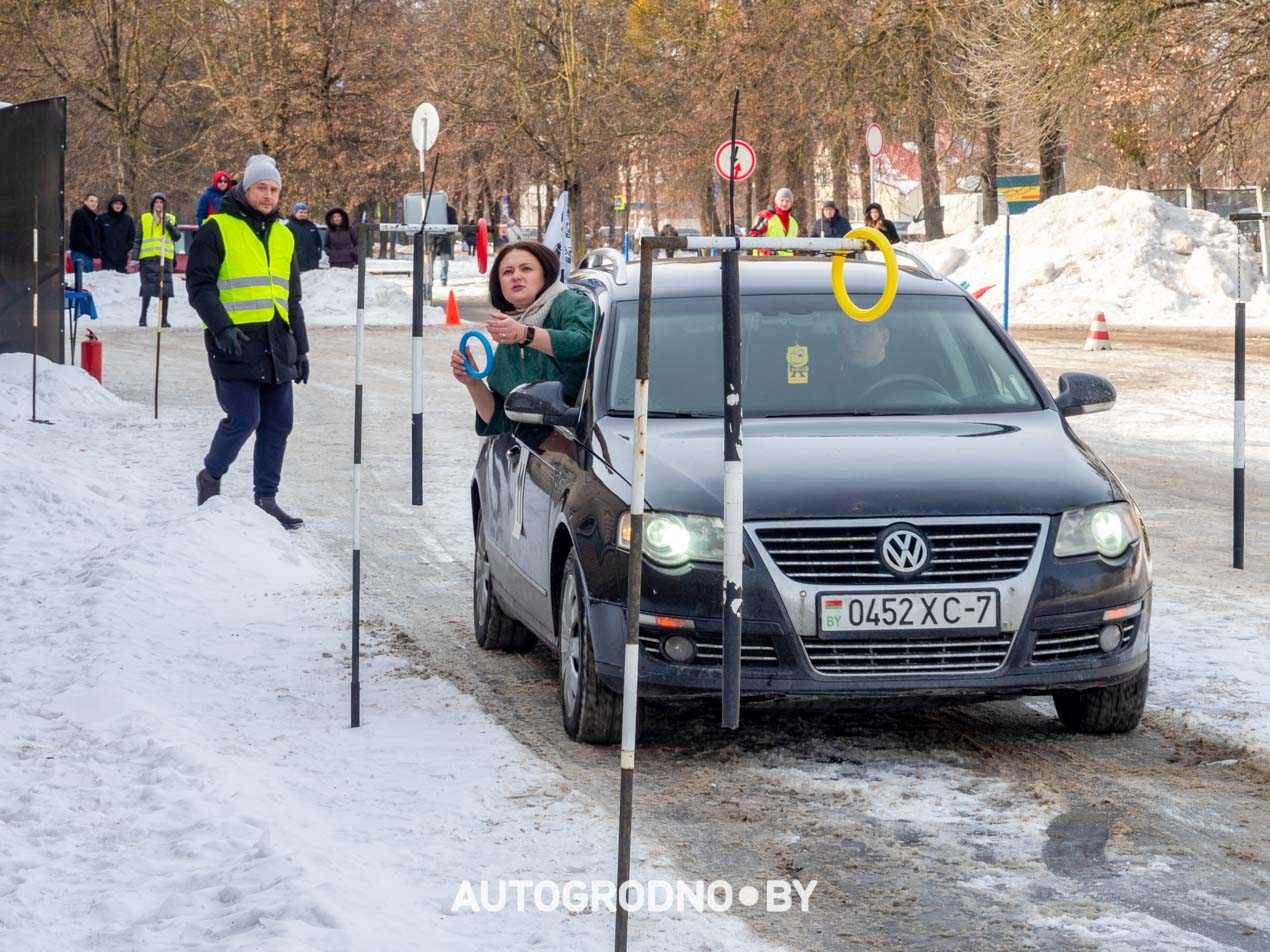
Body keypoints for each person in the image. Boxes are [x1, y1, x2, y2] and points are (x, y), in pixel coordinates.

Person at [187, 154, 310, 530]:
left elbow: (292, 298)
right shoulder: (216, 228)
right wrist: (222, 328)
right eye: (261, 187)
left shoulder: (285, 234)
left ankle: (266, 498)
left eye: (274, 189)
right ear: (245, 187)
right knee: (244, 418)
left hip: (278, 344)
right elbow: (200, 286)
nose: (268, 195)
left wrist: (301, 349)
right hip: (235, 343)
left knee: (277, 424)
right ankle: (210, 476)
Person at [449, 240, 594, 443]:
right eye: (507, 272)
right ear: (499, 284)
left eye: (526, 269)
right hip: (535, 453)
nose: (516, 276)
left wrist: (524, 334)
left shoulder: (571, 304)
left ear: (545, 274)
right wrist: (472, 382)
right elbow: (502, 421)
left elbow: (583, 345)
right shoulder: (513, 328)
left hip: (581, 446)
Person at [132, 192, 179, 327]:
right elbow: (138, 240)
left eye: (161, 202)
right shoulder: (145, 218)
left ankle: (163, 319)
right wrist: (135, 258)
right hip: (148, 258)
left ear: (164, 204)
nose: (159, 205)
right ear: (152, 204)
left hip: (165, 258)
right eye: (156, 202)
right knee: (147, 288)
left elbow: (176, 237)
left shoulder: (171, 218)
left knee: (165, 289)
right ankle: (143, 317)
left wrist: (168, 224)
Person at [748, 187, 799, 255]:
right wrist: (768, 252)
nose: (784, 203)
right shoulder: (765, 216)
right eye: (782, 200)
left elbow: (793, 246)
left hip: (787, 263)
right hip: (765, 261)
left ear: (791, 203)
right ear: (776, 201)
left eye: (787, 201)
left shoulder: (794, 222)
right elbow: (754, 236)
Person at [97, 194, 135, 273]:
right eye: (116, 203)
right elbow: (97, 236)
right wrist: (101, 251)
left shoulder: (128, 220)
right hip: (106, 258)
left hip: (122, 258)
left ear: (123, 206)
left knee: (120, 282)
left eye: (120, 204)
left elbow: (132, 237)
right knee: (106, 281)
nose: (118, 206)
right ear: (111, 205)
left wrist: (125, 249)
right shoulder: (102, 218)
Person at [68, 193, 102, 273]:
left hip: (89, 255)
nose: (94, 203)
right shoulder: (79, 213)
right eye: (91, 201)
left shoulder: (94, 218)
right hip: (80, 253)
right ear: (85, 202)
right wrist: (88, 246)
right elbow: (77, 233)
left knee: (87, 281)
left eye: (96, 201)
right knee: (81, 280)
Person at [285, 202, 322, 272]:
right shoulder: (289, 227)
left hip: (312, 264)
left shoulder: (311, 226)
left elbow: (318, 243)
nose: (303, 214)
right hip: (297, 264)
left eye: (305, 212)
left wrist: (317, 256)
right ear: (295, 213)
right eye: (300, 212)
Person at [432, 203, 458, 285]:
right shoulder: (432, 210)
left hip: (444, 240)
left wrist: (447, 232)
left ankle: (443, 279)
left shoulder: (450, 211)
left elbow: (454, 225)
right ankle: (429, 278)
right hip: (433, 239)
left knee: (444, 262)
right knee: (429, 261)